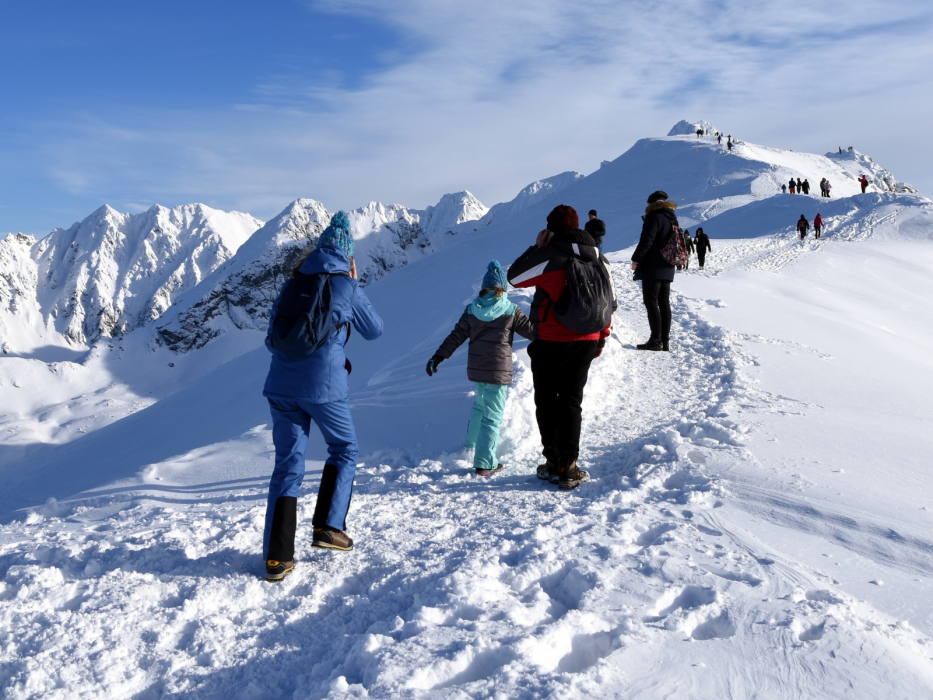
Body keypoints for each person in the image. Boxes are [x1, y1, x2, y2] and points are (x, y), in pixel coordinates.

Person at [261, 211, 384, 582]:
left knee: (287, 465)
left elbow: (271, 337)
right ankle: (328, 527)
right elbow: (374, 330)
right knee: (344, 448)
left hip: (280, 385)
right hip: (325, 387)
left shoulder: (292, 284)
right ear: (347, 256)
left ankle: (277, 558)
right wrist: (353, 284)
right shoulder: (345, 284)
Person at [507, 205, 611, 490]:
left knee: (547, 400)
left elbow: (515, 277)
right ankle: (569, 466)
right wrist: (601, 336)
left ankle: (553, 462)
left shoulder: (551, 254)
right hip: (587, 340)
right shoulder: (598, 257)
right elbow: (606, 299)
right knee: (571, 401)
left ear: (551, 229)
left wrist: (536, 246)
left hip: (551, 339)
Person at [426, 261, 534, 477]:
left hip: (477, 369)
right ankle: (485, 463)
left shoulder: (472, 310)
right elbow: (534, 333)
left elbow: (456, 336)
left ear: (484, 289)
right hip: (498, 370)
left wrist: (438, 356)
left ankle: (470, 444)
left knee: (480, 405)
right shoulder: (511, 310)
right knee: (492, 416)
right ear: (502, 289)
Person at [631, 191, 678, 352]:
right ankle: (665, 341)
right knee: (664, 302)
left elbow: (647, 240)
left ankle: (655, 340)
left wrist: (636, 259)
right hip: (668, 264)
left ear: (651, 204)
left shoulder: (654, 217)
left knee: (651, 302)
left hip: (653, 265)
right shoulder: (672, 218)